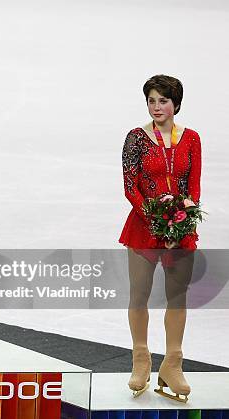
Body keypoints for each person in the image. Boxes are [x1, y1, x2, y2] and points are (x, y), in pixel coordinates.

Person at [120, 75, 201, 402]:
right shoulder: (136, 139)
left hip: (180, 231)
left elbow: (193, 186)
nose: (157, 107)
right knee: (139, 295)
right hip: (144, 227)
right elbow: (130, 187)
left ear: (175, 104)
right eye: (152, 100)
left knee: (176, 297)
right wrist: (156, 220)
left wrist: (182, 220)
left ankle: (172, 365)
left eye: (163, 100)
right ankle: (141, 360)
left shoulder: (191, 139)